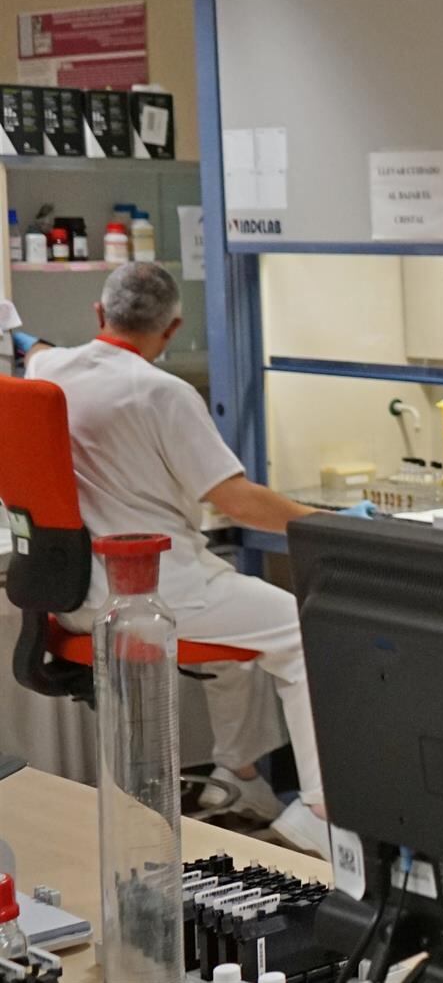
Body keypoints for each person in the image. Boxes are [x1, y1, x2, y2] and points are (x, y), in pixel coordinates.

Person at [24, 263, 369, 854]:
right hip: (155, 590)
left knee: (242, 639)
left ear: (98, 313)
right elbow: (234, 500)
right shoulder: (163, 392)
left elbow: (37, 351)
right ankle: (320, 810)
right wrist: (334, 527)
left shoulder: (47, 370)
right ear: (174, 326)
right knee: (302, 629)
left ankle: (239, 778)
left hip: (73, 594)